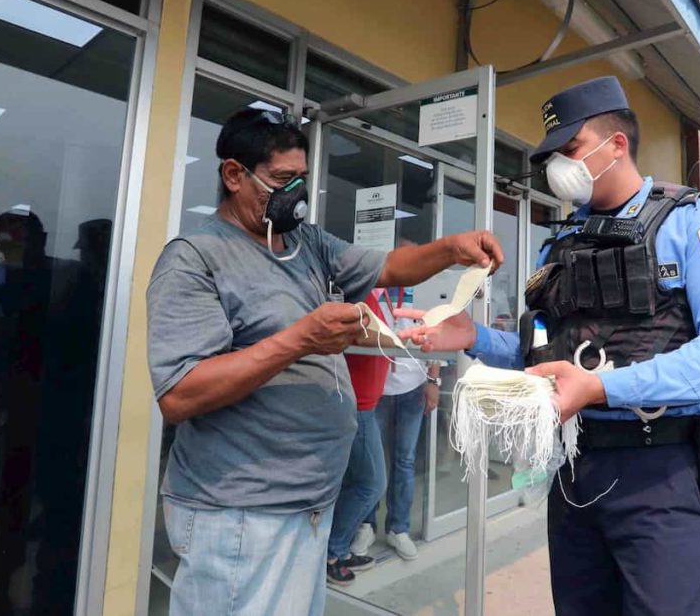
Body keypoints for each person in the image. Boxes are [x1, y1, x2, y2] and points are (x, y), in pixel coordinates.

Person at [396, 77, 700, 615]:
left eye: (570, 150)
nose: (557, 168)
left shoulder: (697, 225)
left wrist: (600, 388)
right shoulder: (562, 241)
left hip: (663, 471)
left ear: (617, 146)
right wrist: (474, 337)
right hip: (574, 471)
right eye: (551, 157)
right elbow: (547, 356)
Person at [146, 108, 503, 615]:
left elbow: (387, 266)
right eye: (281, 180)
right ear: (233, 175)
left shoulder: (304, 242)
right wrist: (300, 339)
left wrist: (450, 248)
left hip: (306, 502)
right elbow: (180, 394)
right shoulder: (195, 258)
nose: (295, 193)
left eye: (302, 180)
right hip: (242, 511)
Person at [353, 277, 442, 562]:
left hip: (412, 386)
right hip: (377, 388)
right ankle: (366, 525)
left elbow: (435, 337)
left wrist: (433, 381)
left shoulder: (424, 289)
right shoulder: (370, 289)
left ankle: (398, 528)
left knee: (404, 460)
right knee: (371, 462)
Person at [326, 290, 389, 586]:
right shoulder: (355, 295)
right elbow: (359, 336)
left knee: (355, 483)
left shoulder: (372, 294)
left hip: (366, 404)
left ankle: (338, 548)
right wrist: (402, 340)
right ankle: (332, 553)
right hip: (359, 406)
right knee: (372, 483)